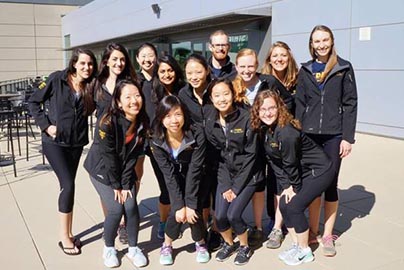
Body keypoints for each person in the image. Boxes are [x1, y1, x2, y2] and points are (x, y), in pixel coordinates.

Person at [251, 89, 335, 266]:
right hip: (302, 171)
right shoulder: (266, 130)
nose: (267, 113)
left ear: (279, 108)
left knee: (294, 206)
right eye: (263, 109)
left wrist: (293, 187)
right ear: (257, 111)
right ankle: (297, 244)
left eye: (272, 108)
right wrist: (285, 186)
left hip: (320, 170)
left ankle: (305, 251)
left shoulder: (286, 132)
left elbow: (289, 163)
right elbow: (275, 163)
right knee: (283, 204)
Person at [295, 25, 358, 257]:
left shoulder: (343, 67)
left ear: (331, 41)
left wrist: (347, 137)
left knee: (330, 184)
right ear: (311, 44)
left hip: (333, 136)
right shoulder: (306, 69)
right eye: (317, 41)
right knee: (312, 184)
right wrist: (298, 133)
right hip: (309, 136)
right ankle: (312, 231)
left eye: (325, 40)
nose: (321, 45)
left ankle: (328, 235)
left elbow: (351, 103)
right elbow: (300, 104)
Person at [29, 48, 97, 255]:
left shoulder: (91, 86)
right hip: (54, 143)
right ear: (74, 63)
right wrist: (46, 125)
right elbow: (33, 101)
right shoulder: (57, 79)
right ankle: (63, 236)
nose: (87, 67)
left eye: (90, 64)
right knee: (67, 185)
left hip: (76, 144)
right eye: (83, 63)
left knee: (69, 187)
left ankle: (69, 232)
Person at [84, 80, 149, 268]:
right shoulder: (108, 122)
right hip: (102, 170)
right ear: (119, 102)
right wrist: (117, 186)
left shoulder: (142, 122)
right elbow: (108, 156)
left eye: (137, 96)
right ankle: (109, 247)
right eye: (127, 97)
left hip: (123, 170)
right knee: (115, 209)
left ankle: (134, 248)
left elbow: (134, 155)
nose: (134, 101)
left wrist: (127, 183)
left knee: (130, 206)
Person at [203, 78, 264, 265]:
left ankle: (245, 246)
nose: (222, 99)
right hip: (226, 175)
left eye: (226, 93)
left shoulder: (246, 118)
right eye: (217, 95)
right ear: (212, 99)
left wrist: (236, 188)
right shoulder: (210, 121)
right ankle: (229, 243)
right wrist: (226, 184)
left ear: (233, 93)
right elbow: (218, 157)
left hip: (249, 176)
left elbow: (251, 156)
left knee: (233, 215)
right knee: (220, 216)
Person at [232, 48, 286, 246]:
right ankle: (257, 226)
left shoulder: (268, 82)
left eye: (251, 66)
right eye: (243, 66)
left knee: (277, 182)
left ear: (257, 66)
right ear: (237, 67)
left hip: (270, 140)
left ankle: (277, 227)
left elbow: (286, 102)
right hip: (248, 144)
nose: (247, 70)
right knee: (257, 185)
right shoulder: (233, 86)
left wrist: (282, 129)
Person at [92, 42, 143, 245]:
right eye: (114, 59)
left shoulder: (131, 83)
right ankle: (113, 221)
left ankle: (125, 219)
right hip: (107, 143)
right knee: (111, 196)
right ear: (106, 61)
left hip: (131, 140)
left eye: (122, 59)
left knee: (133, 179)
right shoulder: (97, 84)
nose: (119, 63)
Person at [150, 96, 209, 265]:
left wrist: (189, 204)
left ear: (184, 115)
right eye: (168, 116)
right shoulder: (156, 139)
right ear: (161, 119)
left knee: (194, 209)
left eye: (177, 115)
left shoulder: (196, 134)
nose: (174, 120)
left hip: (196, 175)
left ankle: (201, 242)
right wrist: (179, 206)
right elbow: (168, 174)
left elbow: (195, 169)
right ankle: (167, 245)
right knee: (176, 212)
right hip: (174, 177)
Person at [178, 54, 222, 251]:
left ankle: (218, 230)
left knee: (218, 194)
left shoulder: (216, 90)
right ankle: (203, 230)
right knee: (202, 196)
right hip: (197, 154)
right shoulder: (183, 95)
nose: (194, 76)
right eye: (189, 73)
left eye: (198, 71)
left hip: (220, 152)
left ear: (206, 71)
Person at [260, 41, 299, 249]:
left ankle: (285, 221)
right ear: (269, 59)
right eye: (275, 55)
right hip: (269, 136)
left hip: (291, 137)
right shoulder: (265, 81)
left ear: (289, 57)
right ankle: (275, 222)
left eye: (283, 55)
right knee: (273, 180)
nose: (279, 59)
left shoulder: (298, 80)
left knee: (290, 178)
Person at [142, 55, 186, 239]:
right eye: (162, 71)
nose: (167, 74)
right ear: (157, 73)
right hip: (159, 147)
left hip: (183, 145)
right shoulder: (150, 91)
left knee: (183, 185)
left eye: (170, 70)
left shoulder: (183, 91)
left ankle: (184, 218)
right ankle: (163, 221)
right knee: (166, 187)